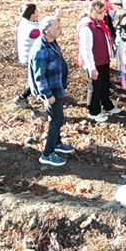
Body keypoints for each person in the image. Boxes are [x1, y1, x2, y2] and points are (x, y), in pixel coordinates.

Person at [29, 22, 74, 167]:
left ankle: (57, 143)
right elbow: (39, 77)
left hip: (57, 87)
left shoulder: (51, 41)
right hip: (51, 91)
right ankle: (47, 154)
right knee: (56, 120)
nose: (61, 30)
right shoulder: (40, 51)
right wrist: (48, 95)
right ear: (47, 31)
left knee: (57, 118)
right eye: (57, 28)